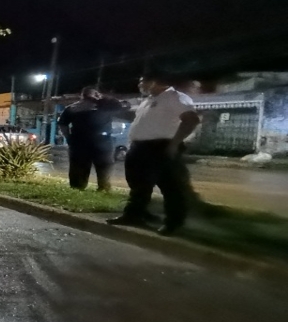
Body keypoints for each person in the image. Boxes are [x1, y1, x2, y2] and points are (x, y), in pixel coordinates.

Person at [107, 70, 200, 235]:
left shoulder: (175, 97)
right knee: (138, 185)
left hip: (161, 146)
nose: (139, 85)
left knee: (171, 187)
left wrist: (174, 144)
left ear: (154, 81)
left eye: (142, 82)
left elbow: (191, 119)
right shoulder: (148, 101)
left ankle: (173, 223)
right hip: (140, 148)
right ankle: (134, 215)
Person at [57, 86, 125, 191]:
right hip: (102, 140)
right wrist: (102, 97)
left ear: (81, 96)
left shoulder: (72, 108)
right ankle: (104, 188)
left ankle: (77, 187)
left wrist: (69, 138)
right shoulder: (105, 105)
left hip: (79, 141)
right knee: (104, 166)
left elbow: (63, 124)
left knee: (79, 167)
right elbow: (119, 105)